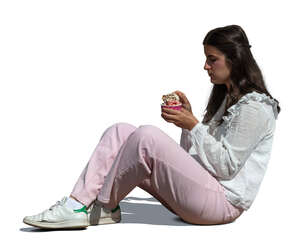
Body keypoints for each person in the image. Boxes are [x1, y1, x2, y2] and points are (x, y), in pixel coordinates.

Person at [23, 25, 280, 229]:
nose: (205, 66)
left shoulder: (255, 106)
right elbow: (195, 161)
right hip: (203, 194)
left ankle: (99, 206)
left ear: (234, 59)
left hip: (222, 205)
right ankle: (80, 204)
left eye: (212, 59)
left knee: (146, 136)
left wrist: (193, 126)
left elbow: (226, 167)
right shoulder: (226, 98)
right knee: (121, 131)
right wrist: (188, 123)